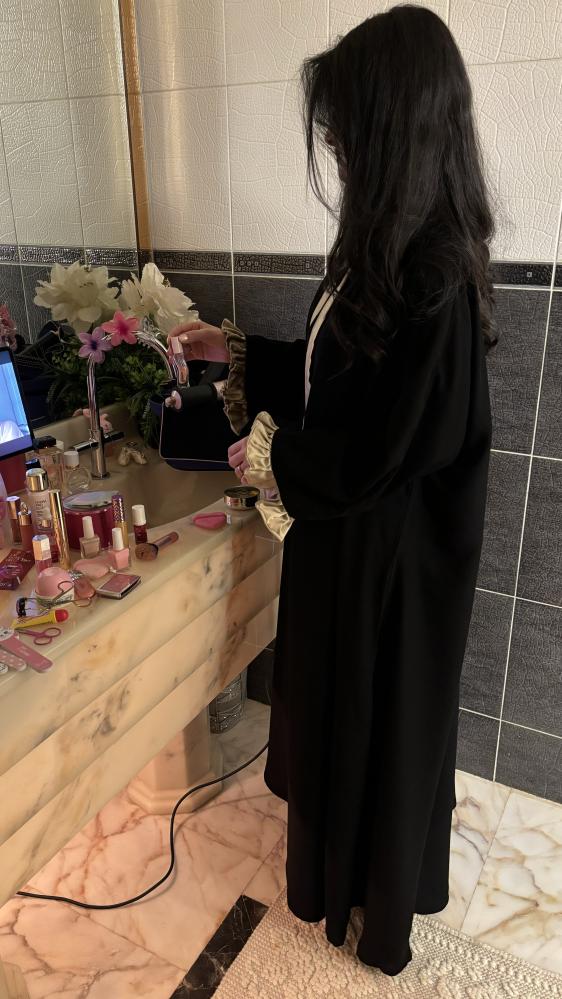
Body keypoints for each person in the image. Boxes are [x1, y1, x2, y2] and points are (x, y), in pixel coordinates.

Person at [169, 4, 494, 977]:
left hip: (391, 572)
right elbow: (343, 383)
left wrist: (271, 457)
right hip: (354, 549)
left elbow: (383, 447)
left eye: (347, 128)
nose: (336, 147)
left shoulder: (435, 275)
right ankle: (331, 881)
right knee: (339, 725)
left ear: (392, 128)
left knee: (373, 733)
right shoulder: (384, 255)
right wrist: (241, 355)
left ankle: (369, 908)